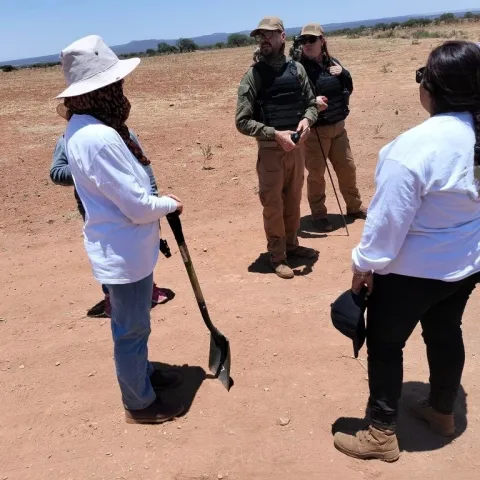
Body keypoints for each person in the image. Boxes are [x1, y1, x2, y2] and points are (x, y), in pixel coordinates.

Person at [333, 40, 480, 462]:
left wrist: (363, 265)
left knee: (384, 343)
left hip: (412, 273)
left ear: (431, 88)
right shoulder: (474, 133)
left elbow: (387, 224)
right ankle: (442, 411)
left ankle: (381, 434)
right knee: (445, 331)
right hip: (465, 267)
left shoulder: (415, 147)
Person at [56, 34, 185, 424]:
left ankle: (142, 377)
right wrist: (170, 204)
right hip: (123, 253)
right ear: (102, 90)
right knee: (130, 332)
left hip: (122, 247)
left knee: (135, 326)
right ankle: (140, 404)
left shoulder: (83, 126)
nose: (121, 91)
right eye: (116, 85)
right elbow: (136, 205)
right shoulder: (98, 136)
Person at [50, 127, 172, 317]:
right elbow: (56, 172)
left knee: (140, 245)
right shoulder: (68, 140)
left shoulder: (124, 133)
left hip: (133, 200)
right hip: (96, 209)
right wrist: (90, 166)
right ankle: (112, 297)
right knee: (109, 251)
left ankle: (148, 290)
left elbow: (144, 165)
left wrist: (153, 197)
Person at [235, 16, 319, 279]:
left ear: (282, 37)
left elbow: (312, 104)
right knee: (273, 205)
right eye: (260, 36)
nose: (264, 40)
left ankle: (292, 246)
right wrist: (273, 133)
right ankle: (277, 255)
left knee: (293, 201)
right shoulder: (254, 75)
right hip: (271, 151)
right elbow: (242, 121)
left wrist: (307, 120)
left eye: (269, 35)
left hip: (296, 147)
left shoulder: (297, 70)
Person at [296, 23, 367, 232]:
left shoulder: (333, 63)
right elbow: (291, 97)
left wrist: (344, 73)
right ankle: (318, 215)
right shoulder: (297, 68)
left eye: (311, 40)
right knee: (317, 174)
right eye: (303, 41)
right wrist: (311, 101)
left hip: (338, 127)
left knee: (347, 168)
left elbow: (348, 89)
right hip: (316, 131)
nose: (307, 44)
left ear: (322, 41)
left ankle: (354, 207)